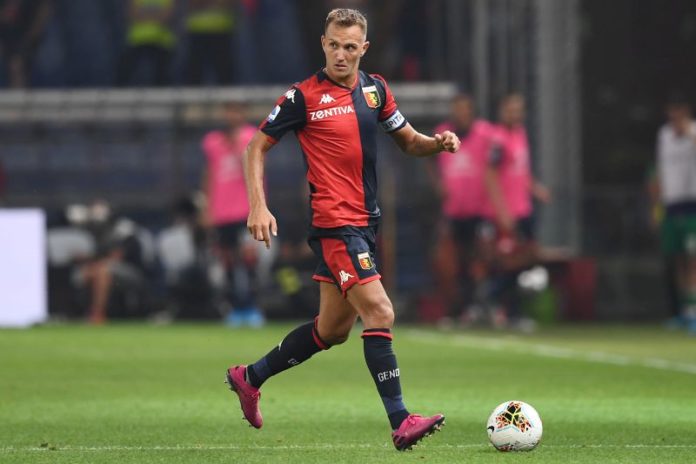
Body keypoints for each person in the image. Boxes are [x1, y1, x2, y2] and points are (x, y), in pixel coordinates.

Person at [224, 8, 460, 451]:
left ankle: (249, 377)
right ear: (323, 43)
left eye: (350, 47)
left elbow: (409, 141)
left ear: (363, 49)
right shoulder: (301, 97)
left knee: (331, 330)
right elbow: (255, 147)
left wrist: (437, 143)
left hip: (365, 224)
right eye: (333, 44)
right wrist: (258, 205)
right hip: (336, 225)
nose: (340, 54)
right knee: (381, 313)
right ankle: (401, 420)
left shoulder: (375, 90)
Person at [483, 93, 550, 327]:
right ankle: (499, 306)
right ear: (502, 112)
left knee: (527, 261)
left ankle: (506, 308)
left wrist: (536, 189)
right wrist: (502, 212)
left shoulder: (520, 134)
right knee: (509, 263)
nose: (515, 114)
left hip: (524, 209)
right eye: (511, 110)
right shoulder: (498, 138)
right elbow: (490, 176)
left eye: (518, 110)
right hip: (508, 213)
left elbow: (521, 171)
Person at [429, 94, 493, 325]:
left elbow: (495, 165)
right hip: (453, 211)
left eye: (465, 109)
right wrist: (438, 184)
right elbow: (428, 159)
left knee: (483, 260)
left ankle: (486, 306)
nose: (461, 114)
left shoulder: (485, 133)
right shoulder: (443, 133)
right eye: (457, 109)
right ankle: (458, 309)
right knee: (452, 264)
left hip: (480, 210)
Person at [201, 101, 264, 326]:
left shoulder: (252, 136)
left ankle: (252, 307)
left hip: (246, 210)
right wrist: (207, 207)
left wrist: (236, 144)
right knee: (227, 261)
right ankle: (234, 308)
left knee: (249, 259)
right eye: (228, 111)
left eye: (236, 111)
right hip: (221, 212)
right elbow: (209, 174)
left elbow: (253, 164)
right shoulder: (213, 141)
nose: (232, 115)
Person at [651, 95, 696, 333]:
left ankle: (694, 310)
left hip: (692, 204)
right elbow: (660, 169)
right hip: (671, 205)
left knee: (693, 259)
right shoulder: (664, 135)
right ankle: (684, 311)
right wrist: (656, 207)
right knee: (678, 260)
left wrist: (688, 133)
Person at [116, 0, 175, 87]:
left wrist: (144, 15)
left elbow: (167, 16)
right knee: (124, 71)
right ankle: (119, 93)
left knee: (163, 73)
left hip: (162, 40)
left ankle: (162, 94)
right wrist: (155, 16)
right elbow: (132, 14)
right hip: (137, 39)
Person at [0, 0, 51, 87]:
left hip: (31, 36)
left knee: (49, 58)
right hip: (6, 34)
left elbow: (45, 10)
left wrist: (22, 51)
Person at [183, 0, 235, 85]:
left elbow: (229, 3)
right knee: (194, 73)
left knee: (225, 73)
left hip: (222, 29)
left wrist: (204, 3)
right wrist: (216, 4)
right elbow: (190, 4)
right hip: (196, 30)